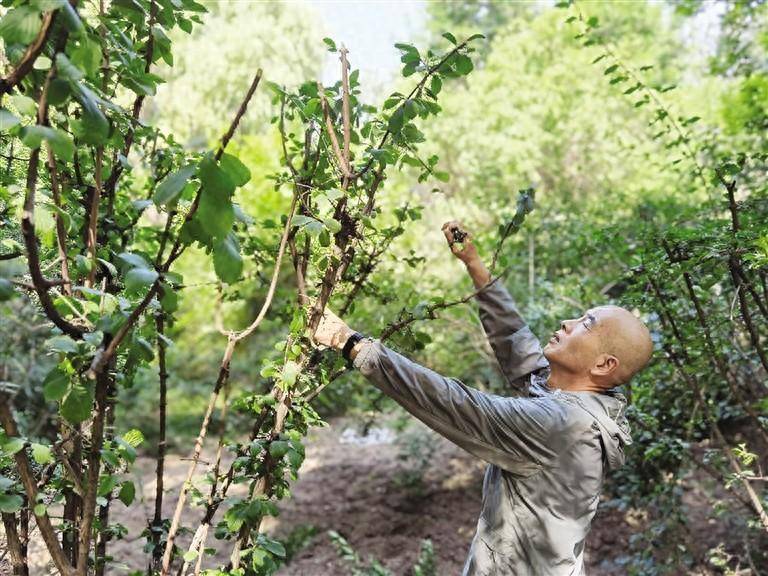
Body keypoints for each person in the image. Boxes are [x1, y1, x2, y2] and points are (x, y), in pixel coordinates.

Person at [313, 221, 654, 576]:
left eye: (585, 325)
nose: (568, 322)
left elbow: (458, 405)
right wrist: (475, 266)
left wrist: (351, 343)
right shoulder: (575, 401)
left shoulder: (564, 425)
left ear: (603, 365)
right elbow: (518, 346)